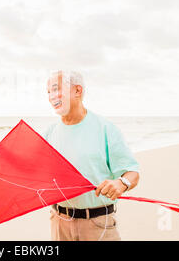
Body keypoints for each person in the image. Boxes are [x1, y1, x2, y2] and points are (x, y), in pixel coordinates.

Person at [43, 70, 140, 241]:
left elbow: (132, 173)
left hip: (98, 224)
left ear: (77, 91)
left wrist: (121, 183)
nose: (51, 96)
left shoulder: (105, 128)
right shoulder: (50, 133)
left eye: (56, 89)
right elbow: (26, 165)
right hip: (59, 222)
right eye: (49, 91)